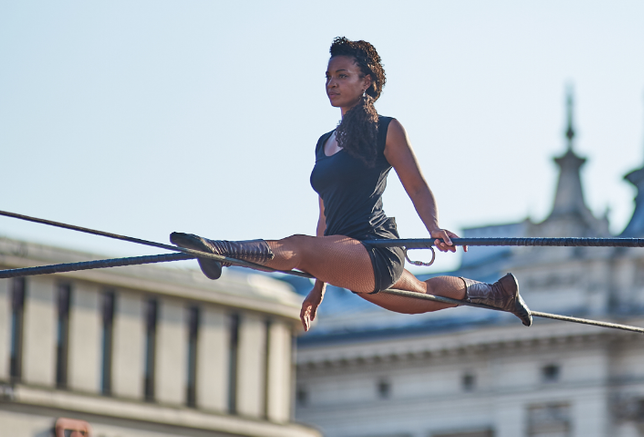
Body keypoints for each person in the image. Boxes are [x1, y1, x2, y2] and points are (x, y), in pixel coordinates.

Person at [172, 37, 531, 330]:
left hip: (374, 252)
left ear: (367, 82)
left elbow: (416, 185)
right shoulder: (323, 143)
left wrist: (433, 226)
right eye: (328, 76)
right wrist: (319, 286)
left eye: (342, 75)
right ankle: (498, 294)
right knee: (424, 291)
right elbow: (325, 220)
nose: (332, 82)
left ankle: (221, 251)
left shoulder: (386, 129)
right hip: (346, 257)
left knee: (299, 246)